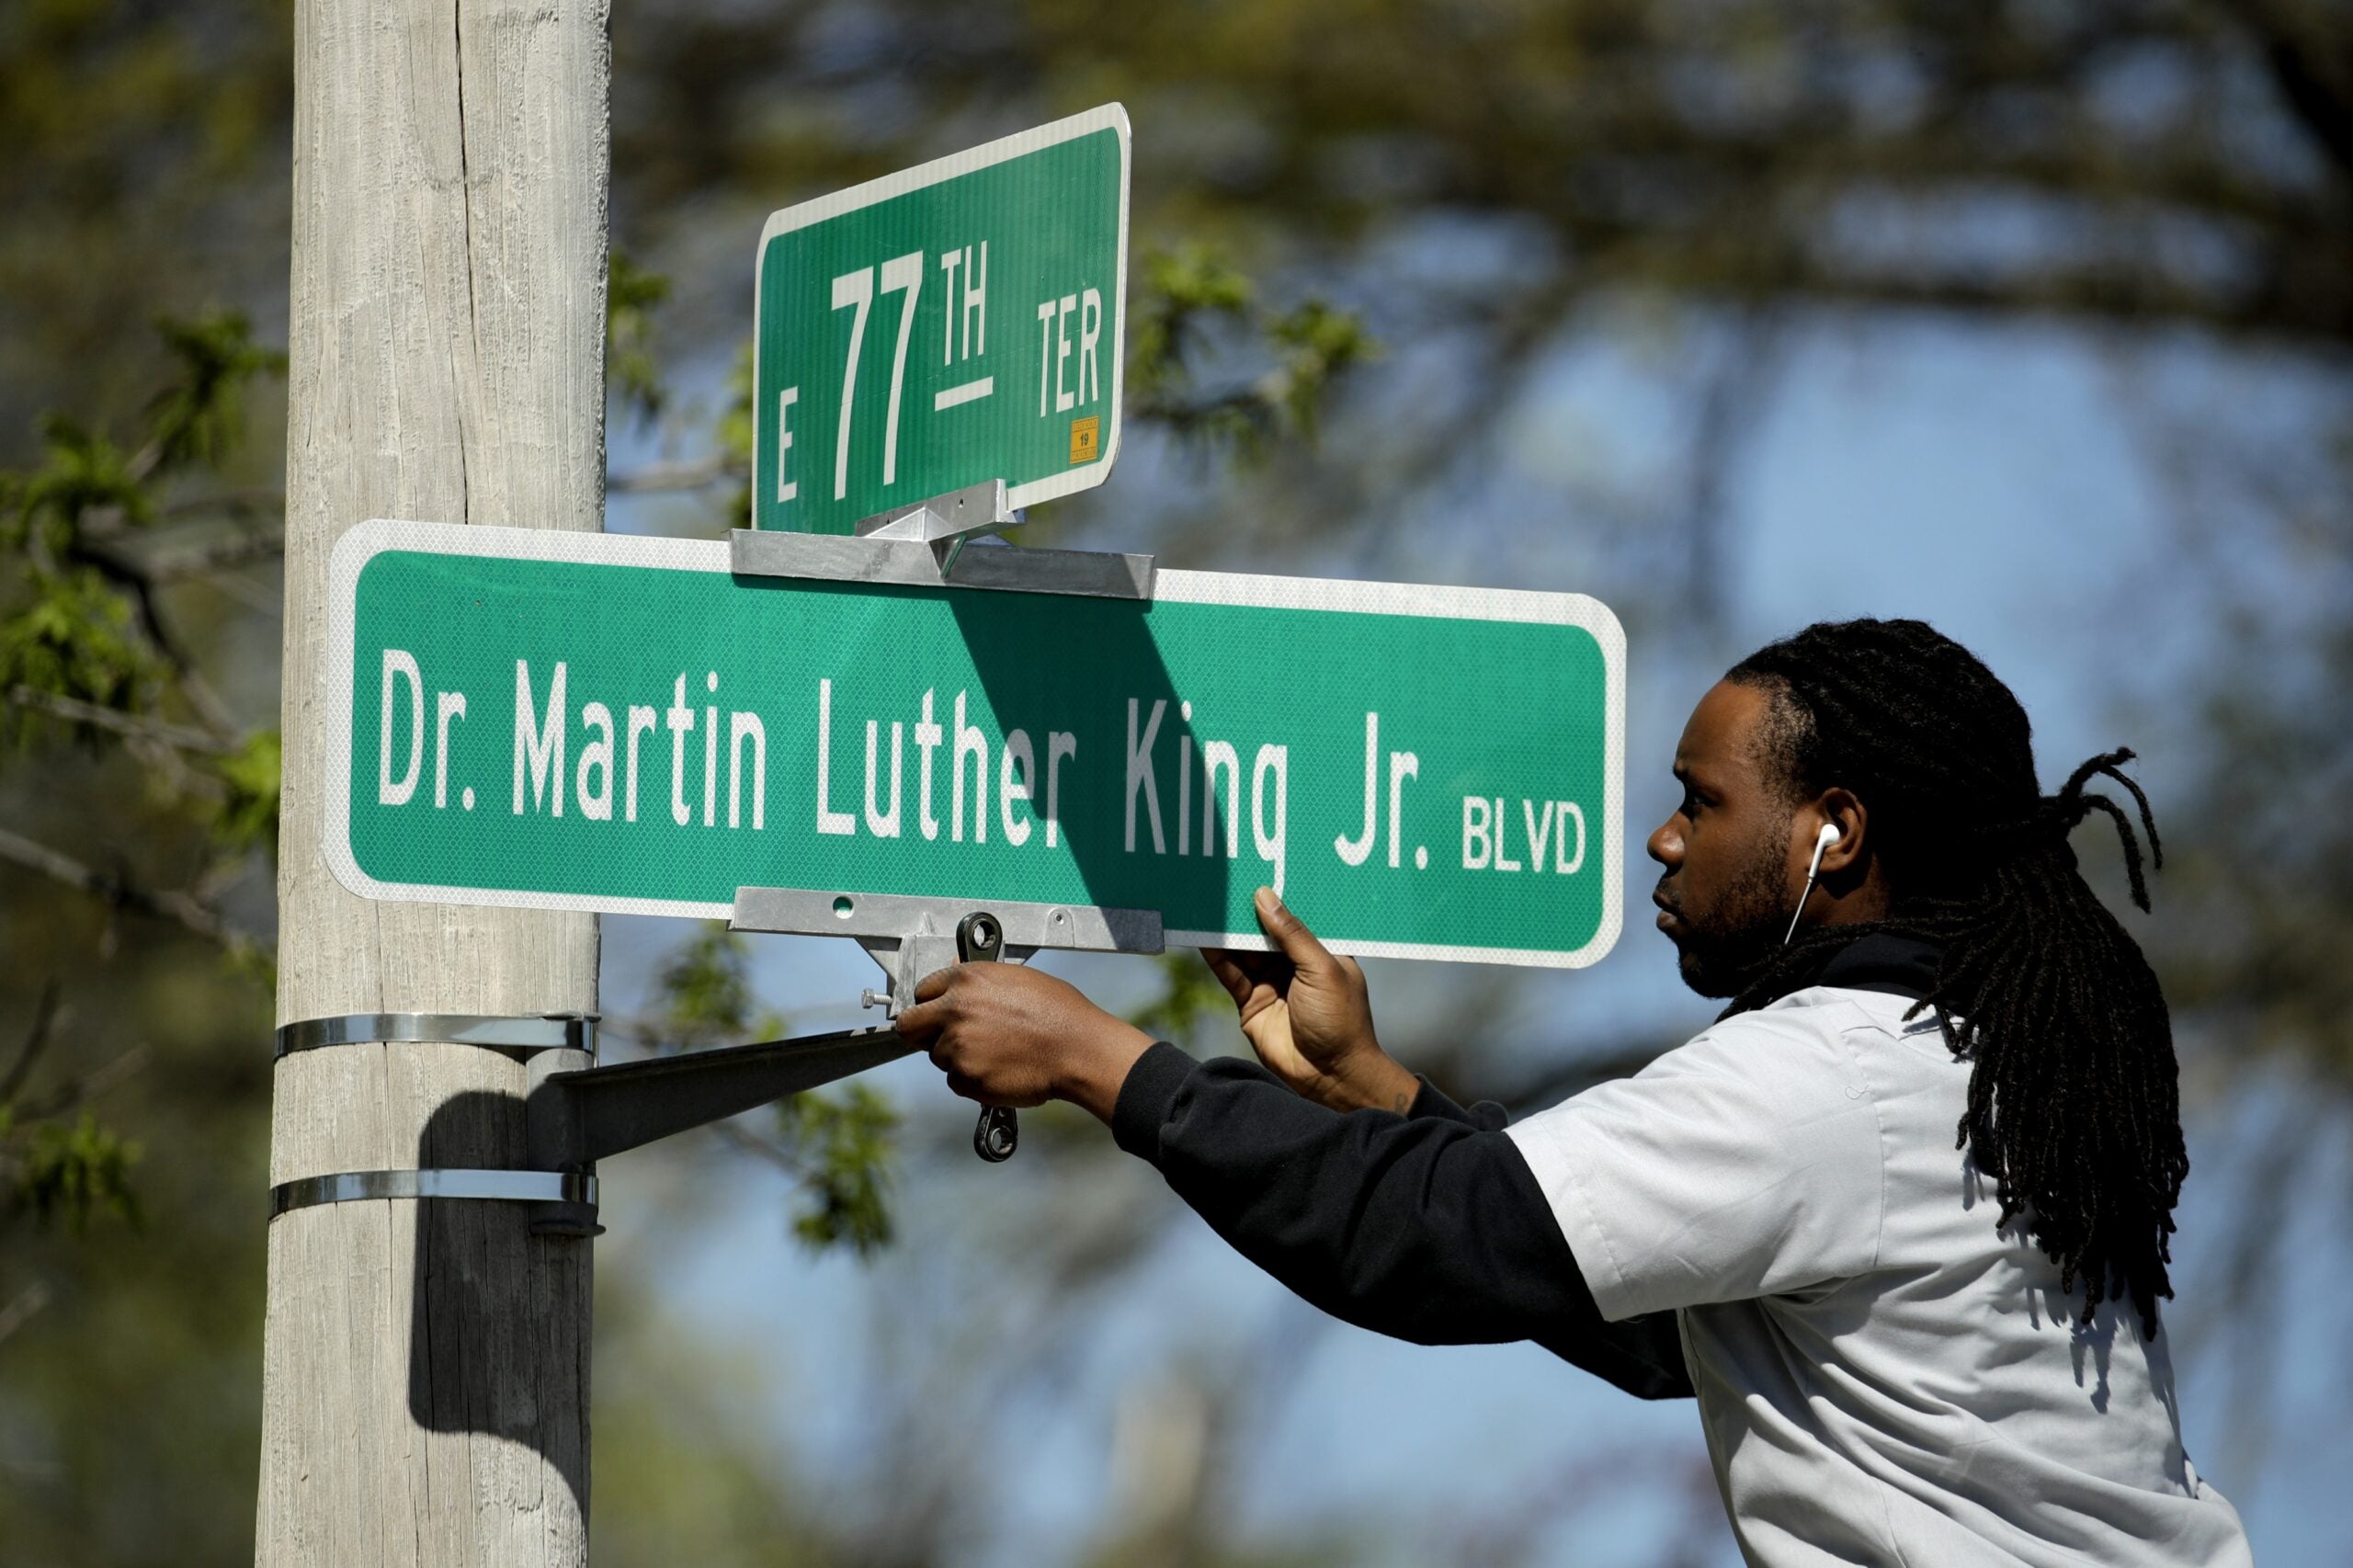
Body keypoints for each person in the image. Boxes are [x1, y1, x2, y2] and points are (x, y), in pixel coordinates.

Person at [895, 618, 2255, 1566]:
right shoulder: (1961, 1066)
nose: (1661, 838)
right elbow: (1669, 1325)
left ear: (1833, 829)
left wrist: (1106, 1065)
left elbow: (1438, 1243)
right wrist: (1377, 1088)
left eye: (1700, 800)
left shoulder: (1832, 1077)